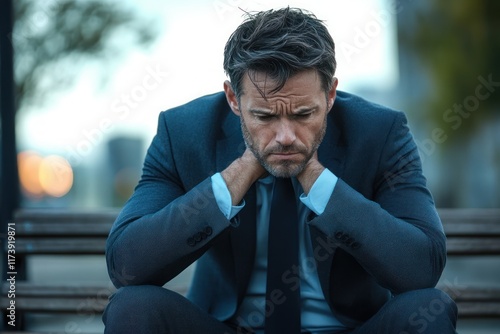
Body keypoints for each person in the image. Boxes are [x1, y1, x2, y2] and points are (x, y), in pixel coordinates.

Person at [103, 7, 457, 334]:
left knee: (430, 307)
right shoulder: (183, 133)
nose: (285, 137)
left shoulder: (381, 133)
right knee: (133, 308)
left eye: (304, 114)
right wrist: (240, 172)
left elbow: (420, 269)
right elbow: (127, 265)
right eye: (265, 116)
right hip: (229, 328)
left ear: (330, 95)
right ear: (233, 99)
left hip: (349, 329)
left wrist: (316, 178)